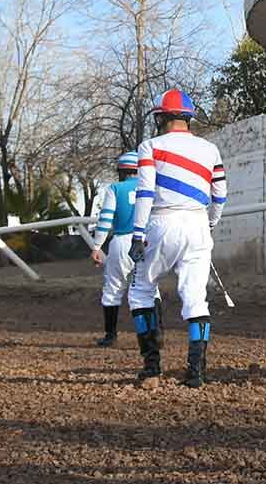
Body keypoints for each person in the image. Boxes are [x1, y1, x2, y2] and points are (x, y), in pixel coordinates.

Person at [127, 89, 225, 388]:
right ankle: (196, 372)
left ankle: (152, 367)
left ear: (161, 117)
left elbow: (144, 192)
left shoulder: (150, 146)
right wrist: (209, 224)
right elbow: (220, 195)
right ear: (188, 118)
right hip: (197, 223)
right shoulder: (211, 149)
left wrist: (138, 233)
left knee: (141, 291)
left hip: (160, 222)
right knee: (196, 301)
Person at [90, 151, 147, 347]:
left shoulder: (115, 188)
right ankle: (152, 335)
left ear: (121, 171)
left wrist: (97, 246)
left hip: (122, 242)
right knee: (148, 290)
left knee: (113, 290)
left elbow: (105, 219)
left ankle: (110, 336)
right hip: (146, 241)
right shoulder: (150, 187)